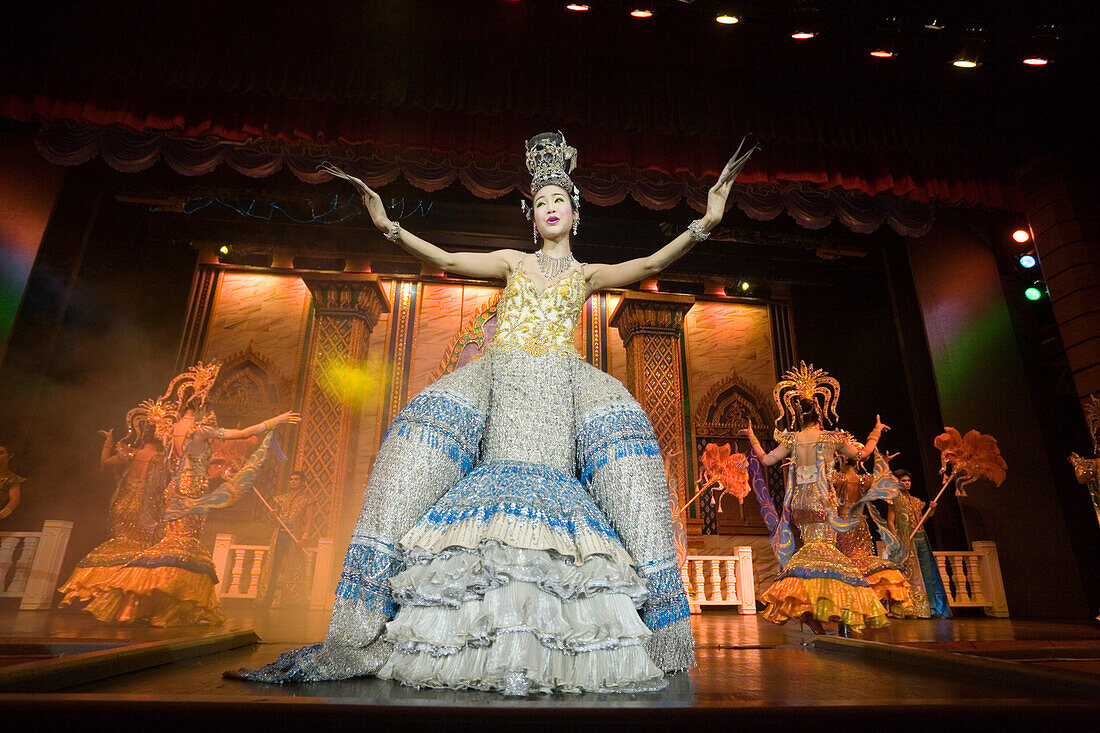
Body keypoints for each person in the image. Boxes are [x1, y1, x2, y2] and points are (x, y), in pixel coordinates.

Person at [232, 132, 749, 694]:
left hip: (558, 392)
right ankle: (423, 630)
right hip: (504, 388)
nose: (551, 208)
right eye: (542, 200)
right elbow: (451, 258)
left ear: (575, 214)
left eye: (560, 200)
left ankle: (583, 640)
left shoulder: (586, 276)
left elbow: (649, 260)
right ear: (534, 217)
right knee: (420, 447)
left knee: (626, 465)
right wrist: (390, 228)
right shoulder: (512, 263)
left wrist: (707, 222)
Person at [83, 362, 300, 625]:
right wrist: (275, 421)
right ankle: (160, 606)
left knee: (177, 544)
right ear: (198, 406)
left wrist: (218, 473)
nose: (209, 410)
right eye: (207, 404)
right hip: (190, 489)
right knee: (182, 547)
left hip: (176, 488)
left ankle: (157, 605)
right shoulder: (200, 430)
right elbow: (242, 433)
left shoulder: (171, 428)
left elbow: (185, 462)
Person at [743, 363, 890, 636]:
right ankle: (838, 610)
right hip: (823, 501)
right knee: (829, 556)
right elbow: (862, 455)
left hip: (800, 502)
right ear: (820, 414)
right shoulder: (832, 437)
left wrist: (752, 436)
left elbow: (766, 459)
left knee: (810, 554)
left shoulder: (793, 439)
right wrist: (876, 431)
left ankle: (811, 612)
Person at [58, 414, 167, 608]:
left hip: (122, 505)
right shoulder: (163, 459)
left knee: (118, 545)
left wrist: (108, 442)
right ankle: (123, 597)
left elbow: (105, 463)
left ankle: (93, 587)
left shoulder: (131, 454)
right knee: (139, 550)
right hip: (145, 509)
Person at [834, 458, 913, 617]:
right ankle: (866, 604)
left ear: (842, 462)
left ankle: (852, 605)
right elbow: (885, 478)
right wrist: (884, 462)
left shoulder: (838, 478)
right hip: (861, 524)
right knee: (863, 560)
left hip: (844, 524)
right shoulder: (864, 479)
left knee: (848, 563)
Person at [888, 469, 952, 618]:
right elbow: (890, 521)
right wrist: (896, 538)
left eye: (908, 481)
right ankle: (911, 607)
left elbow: (924, 519)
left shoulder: (916, 501)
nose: (907, 483)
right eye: (903, 481)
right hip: (906, 541)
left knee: (927, 574)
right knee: (910, 576)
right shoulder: (894, 499)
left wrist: (932, 509)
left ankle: (931, 608)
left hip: (921, 539)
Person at [260, 470, 316, 607]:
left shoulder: (307, 499)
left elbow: (309, 520)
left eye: (296, 480)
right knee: (273, 566)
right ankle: (266, 600)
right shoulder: (281, 498)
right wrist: (272, 515)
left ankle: (292, 602)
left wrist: (305, 536)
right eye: (291, 480)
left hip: (294, 534)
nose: (293, 482)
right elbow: (273, 520)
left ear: (302, 482)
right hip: (280, 533)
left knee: (293, 566)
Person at [0, 442, 24, 523]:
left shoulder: (12, 478)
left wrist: (2, 515)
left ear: (10, 455)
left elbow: (15, 499)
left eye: (1, 453)